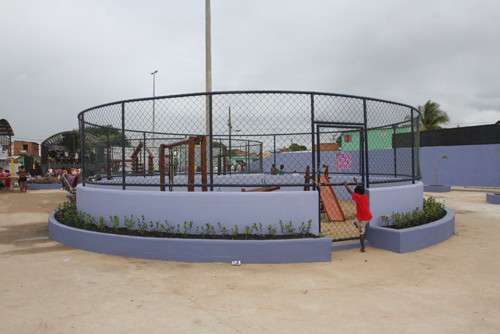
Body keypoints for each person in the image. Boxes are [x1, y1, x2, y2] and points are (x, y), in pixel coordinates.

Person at [343, 177, 372, 252]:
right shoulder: (365, 196)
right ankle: (356, 223)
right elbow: (359, 189)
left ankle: (363, 248)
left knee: (361, 233)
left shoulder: (358, 197)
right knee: (359, 223)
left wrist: (345, 185)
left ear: (358, 193)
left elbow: (350, 192)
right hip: (368, 217)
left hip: (362, 219)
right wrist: (356, 182)